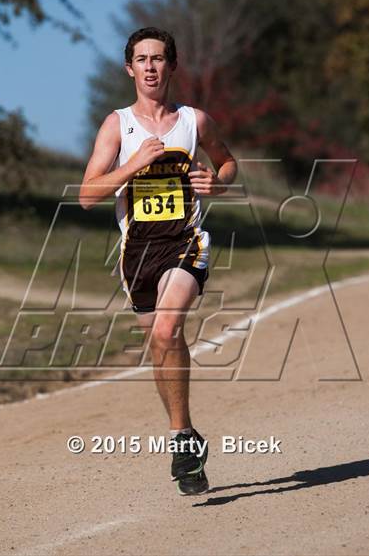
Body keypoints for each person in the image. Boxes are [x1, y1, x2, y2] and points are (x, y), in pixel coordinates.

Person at [80, 27, 237, 495]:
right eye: (142, 59)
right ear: (130, 68)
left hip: (185, 241)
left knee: (168, 330)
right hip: (138, 254)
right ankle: (184, 433)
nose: (150, 67)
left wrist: (219, 182)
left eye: (159, 58)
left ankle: (180, 441)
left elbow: (227, 162)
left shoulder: (194, 121)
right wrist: (132, 166)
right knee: (160, 344)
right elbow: (88, 195)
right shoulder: (118, 126)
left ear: (172, 66)